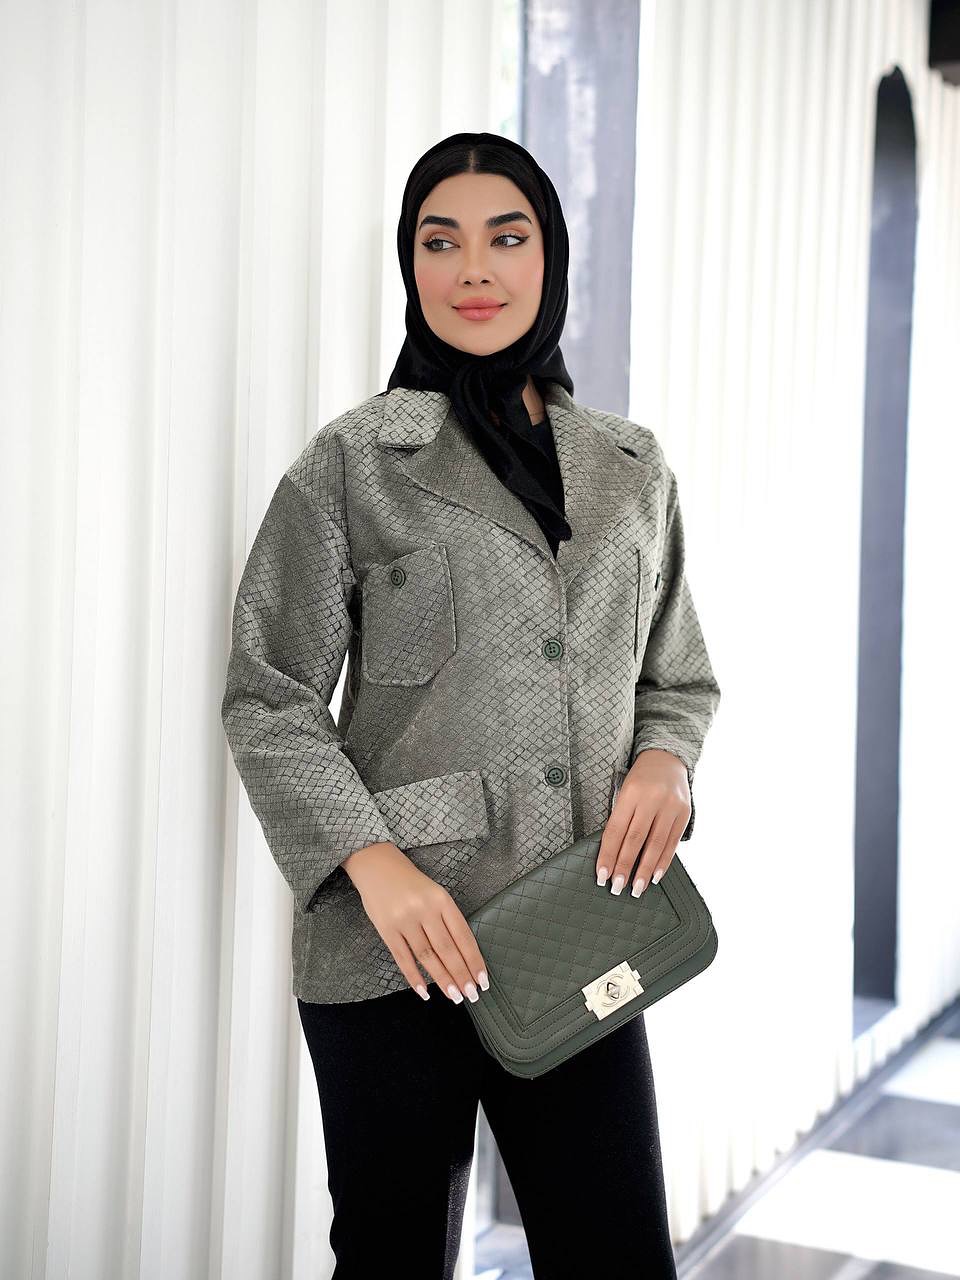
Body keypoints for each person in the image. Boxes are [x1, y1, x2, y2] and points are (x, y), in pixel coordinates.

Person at [220, 131, 721, 1279]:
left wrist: (668, 760)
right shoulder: (353, 464)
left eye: (508, 236)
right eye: (440, 242)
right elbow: (269, 692)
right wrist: (371, 862)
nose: (475, 269)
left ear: (551, 257)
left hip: (579, 927)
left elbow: (679, 674)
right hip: (393, 949)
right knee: (392, 1261)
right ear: (411, 265)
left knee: (616, 1256)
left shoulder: (632, 470)